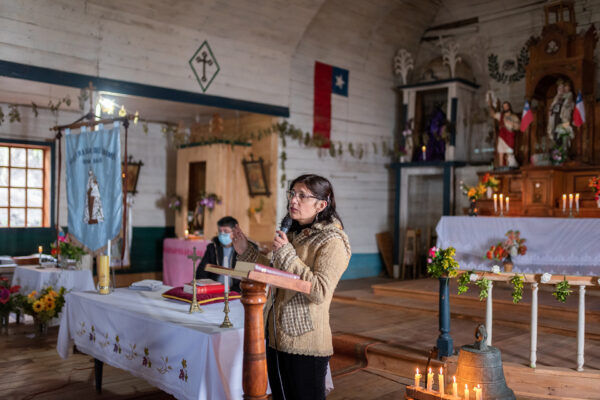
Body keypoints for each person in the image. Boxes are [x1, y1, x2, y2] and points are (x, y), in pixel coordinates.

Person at [231, 174, 351, 400]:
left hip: (305, 341)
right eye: (292, 194)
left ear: (321, 204)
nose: (293, 201)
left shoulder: (333, 241)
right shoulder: (295, 234)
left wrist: (286, 252)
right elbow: (273, 270)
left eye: (302, 196)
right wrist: (246, 250)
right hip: (276, 335)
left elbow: (320, 290)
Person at [195, 216, 241, 293]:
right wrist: (206, 286)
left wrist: (234, 291)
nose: (222, 234)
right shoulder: (213, 247)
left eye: (226, 231)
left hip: (235, 292)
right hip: (214, 290)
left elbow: (246, 276)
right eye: (220, 231)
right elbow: (201, 271)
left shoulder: (243, 250)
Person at [488, 97, 520, 168]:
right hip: (501, 136)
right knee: (501, 152)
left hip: (509, 136)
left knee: (509, 153)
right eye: (504, 106)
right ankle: (501, 167)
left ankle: (511, 166)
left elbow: (518, 127)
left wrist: (512, 123)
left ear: (509, 107)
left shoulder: (514, 116)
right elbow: (493, 115)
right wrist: (490, 105)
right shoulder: (501, 115)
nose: (505, 107)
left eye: (506, 106)